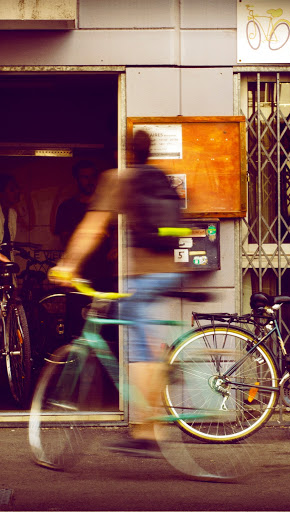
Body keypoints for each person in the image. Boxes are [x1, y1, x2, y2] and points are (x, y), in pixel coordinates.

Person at [50, 130, 186, 456]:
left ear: (124, 153)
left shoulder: (117, 179)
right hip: (173, 270)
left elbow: (92, 228)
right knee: (142, 330)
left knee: (137, 346)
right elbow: (178, 225)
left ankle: (148, 431)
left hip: (145, 277)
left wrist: (67, 265)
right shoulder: (162, 178)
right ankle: (162, 364)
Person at [54, 161, 99, 246]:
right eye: (85, 177)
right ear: (76, 179)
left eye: (93, 176)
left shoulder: (104, 205)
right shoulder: (66, 208)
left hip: (102, 258)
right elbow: (65, 240)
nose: (90, 181)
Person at [0, 174, 20, 262]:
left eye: (17, 188)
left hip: (5, 269)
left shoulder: (13, 214)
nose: (17, 192)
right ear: (1, 193)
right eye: (12, 189)